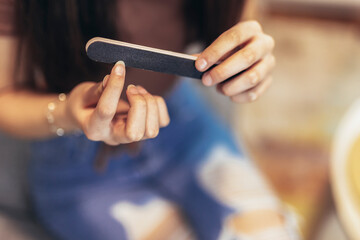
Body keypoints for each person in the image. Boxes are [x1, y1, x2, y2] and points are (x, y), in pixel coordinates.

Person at [0, 0, 298, 239]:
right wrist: (70, 112)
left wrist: (252, 64)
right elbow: (5, 96)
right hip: (75, 163)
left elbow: (241, 36)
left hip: (182, 124)